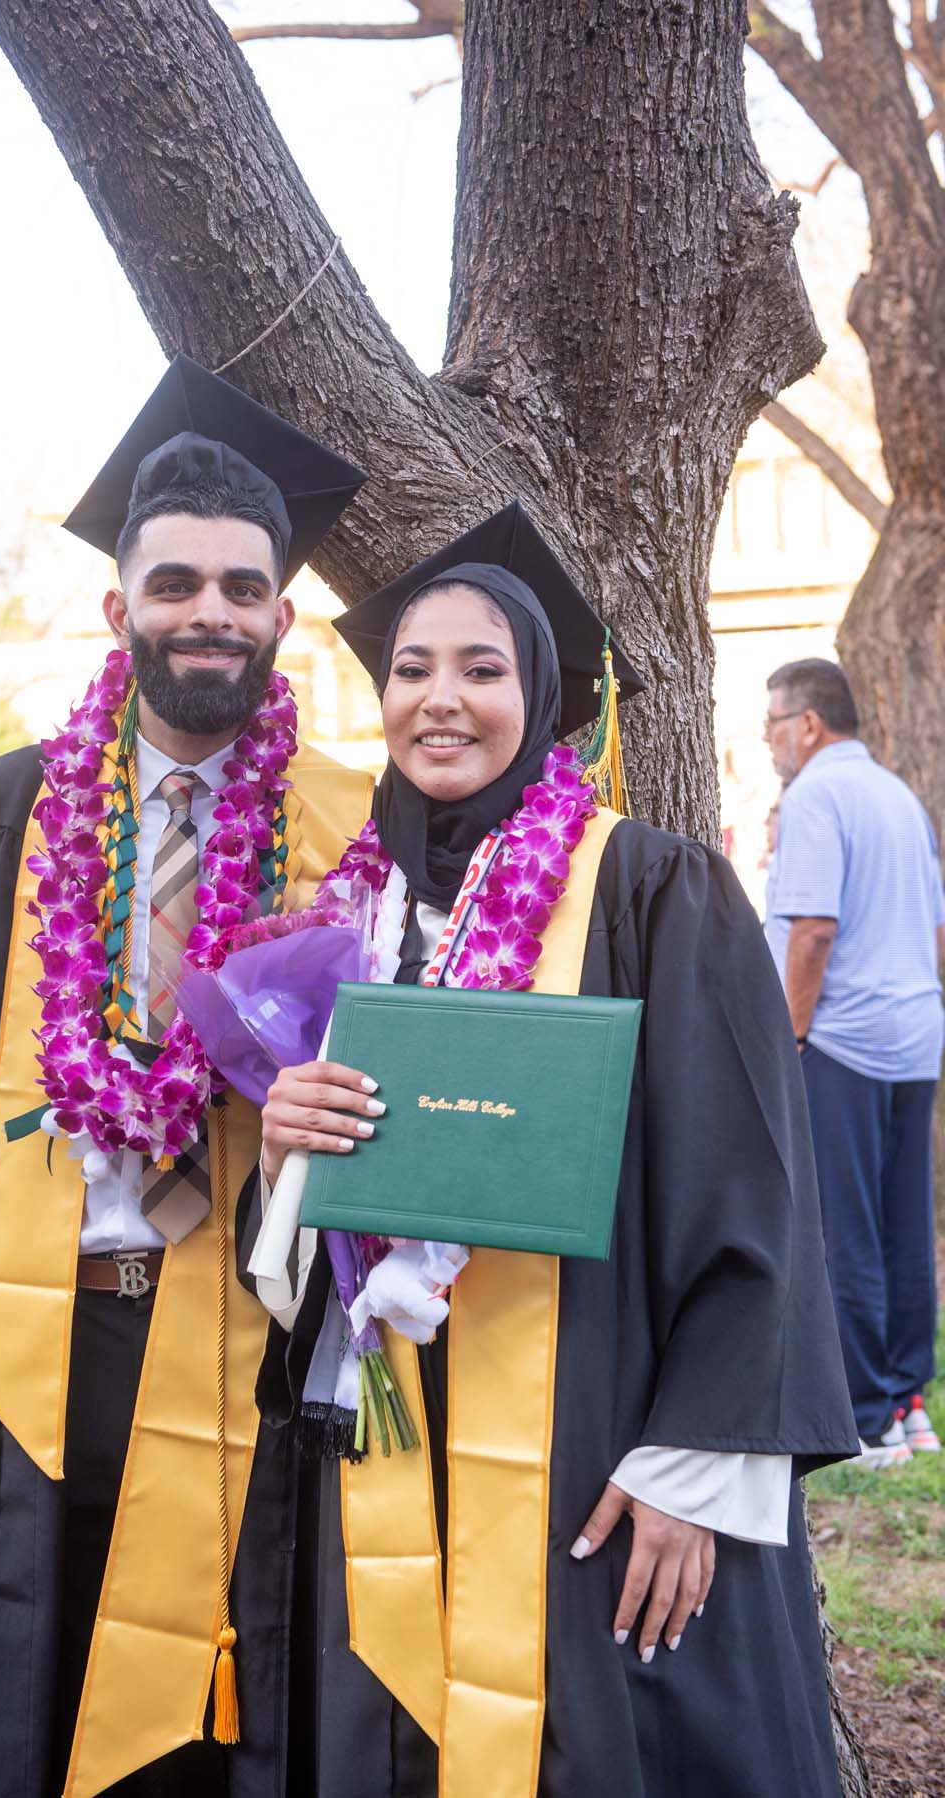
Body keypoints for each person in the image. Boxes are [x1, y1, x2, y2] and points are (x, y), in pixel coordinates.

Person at [0, 355, 376, 1798]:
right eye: (175, 585)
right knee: (44, 1666)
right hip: (48, 1333)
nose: (207, 614)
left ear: (281, 613)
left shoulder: (349, 822)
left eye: (240, 587)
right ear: (121, 609)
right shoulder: (11, 801)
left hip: (255, 1337)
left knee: (228, 1680)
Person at [242, 506, 859, 1798]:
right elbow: (314, 1226)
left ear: (542, 695)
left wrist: (697, 1464)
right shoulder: (345, 922)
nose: (441, 700)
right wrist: (285, 1150)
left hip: (599, 1430)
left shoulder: (653, 891)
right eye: (412, 668)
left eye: (483, 668)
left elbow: (754, 1191)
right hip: (389, 1433)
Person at [763, 657, 945, 1468]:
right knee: (907, 1225)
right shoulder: (897, 795)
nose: (766, 740)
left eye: (771, 722)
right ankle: (910, 1404)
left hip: (841, 1041)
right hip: (913, 1037)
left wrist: (791, 1039)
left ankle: (868, 1420)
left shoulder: (815, 795)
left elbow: (812, 932)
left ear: (807, 725)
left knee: (846, 1229)